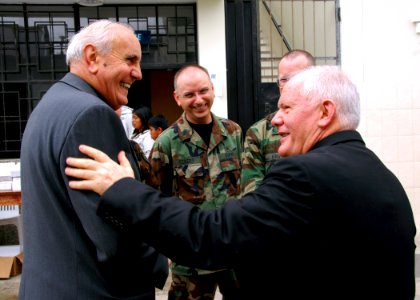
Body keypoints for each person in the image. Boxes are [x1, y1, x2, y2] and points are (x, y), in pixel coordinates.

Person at [65, 65, 416, 299]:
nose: (275, 119)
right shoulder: (380, 175)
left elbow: (210, 234)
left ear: (325, 112)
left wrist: (123, 189)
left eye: (287, 109)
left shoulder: (304, 175)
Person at [19, 19, 168, 300]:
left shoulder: (52, 102)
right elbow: (113, 232)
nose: (138, 73)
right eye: (130, 59)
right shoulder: (91, 115)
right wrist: (159, 259)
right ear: (92, 57)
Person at [146, 64, 242, 299]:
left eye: (203, 91)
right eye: (189, 95)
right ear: (177, 98)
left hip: (234, 248)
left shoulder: (234, 132)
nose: (199, 100)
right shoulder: (167, 143)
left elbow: (245, 187)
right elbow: (156, 200)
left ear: (212, 89)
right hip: (191, 255)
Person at [241, 49, 315, 194]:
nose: (289, 84)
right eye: (284, 79)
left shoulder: (326, 126)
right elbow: (251, 191)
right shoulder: (259, 132)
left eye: (297, 77)